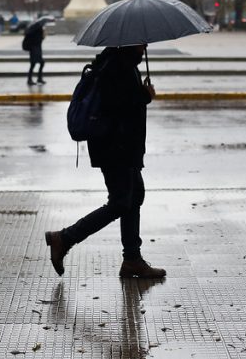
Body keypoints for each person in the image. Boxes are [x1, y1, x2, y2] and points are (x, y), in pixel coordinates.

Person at [45, 45, 166, 279]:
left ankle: (132, 259)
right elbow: (115, 106)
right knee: (120, 202)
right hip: (116, 148)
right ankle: (64, 238)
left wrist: (141, 94)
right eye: (141, 42)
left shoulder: (122, 63)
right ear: (129, 42)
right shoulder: (117, 66)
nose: (145, 46)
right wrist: (145, 96)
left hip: (122, 147)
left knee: (134, 196)